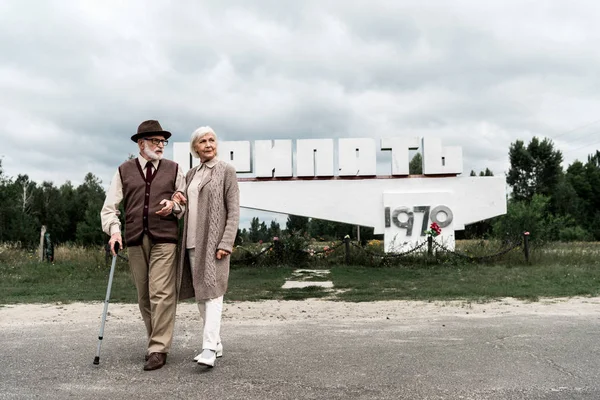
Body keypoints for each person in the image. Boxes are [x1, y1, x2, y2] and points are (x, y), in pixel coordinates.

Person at [101, 120, 186, 371]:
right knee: (145, 295)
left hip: (165, 238)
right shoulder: (123, 170)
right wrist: (115, 232)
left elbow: (183, 201)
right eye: (156, 141)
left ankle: (158, 348)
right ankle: (154, 342)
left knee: (161, 291)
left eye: (163, 142)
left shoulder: (174, 169)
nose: (161, 146)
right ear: (141, 144)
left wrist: (174, 206)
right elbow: (109, 208)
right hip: (136, 238)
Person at [174, 126, 240, 368]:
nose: (209, 144)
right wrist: (175, 202)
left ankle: (209, 348)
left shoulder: (226, 171)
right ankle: (217, 343)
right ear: (195, 148)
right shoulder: (190, 175)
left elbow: (234, 211)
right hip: (191, 244)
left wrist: (226, 242)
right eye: (203, 141)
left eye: (212, 140)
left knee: (213, 295)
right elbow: (182, 208)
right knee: (201, 296)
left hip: (215, 246)